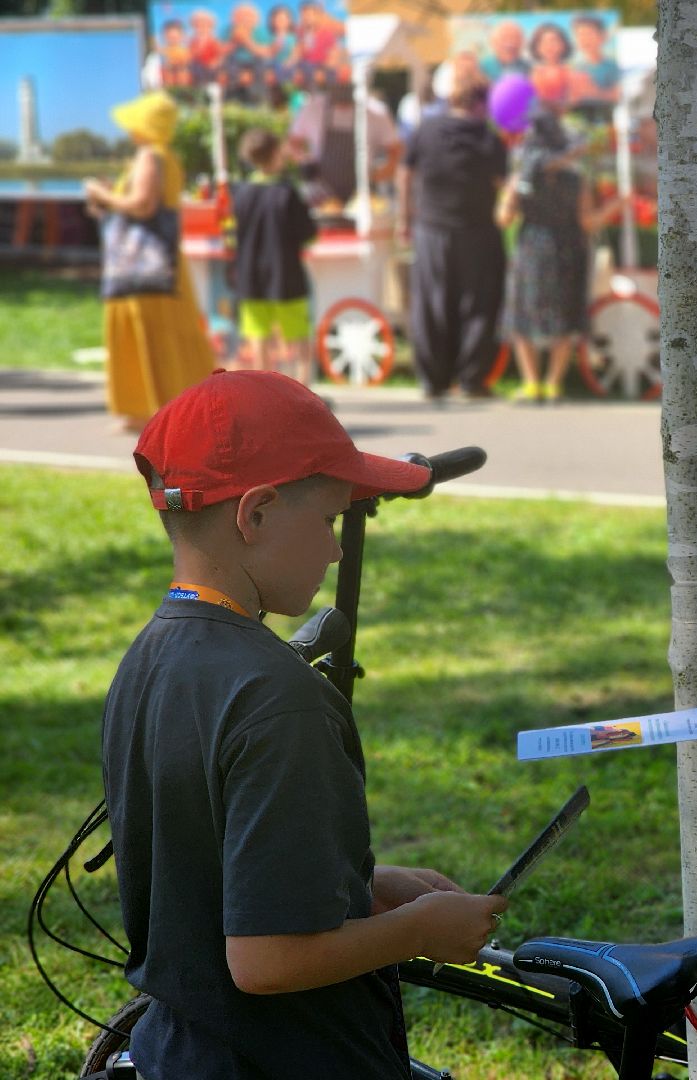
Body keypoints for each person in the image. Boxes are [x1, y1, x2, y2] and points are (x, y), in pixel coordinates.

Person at [102, 369, 508, 1078]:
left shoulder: (151, 655)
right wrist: (416, 931)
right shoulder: (280, 701)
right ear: (254, 515)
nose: (337, 549)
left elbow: (208, 871)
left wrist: (361, 884)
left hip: (182, 1051)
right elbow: (266, 960)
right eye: (326, 520)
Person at [84, 92, 214, 434]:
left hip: (142, 265)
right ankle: (187, 406)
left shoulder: (149, 156)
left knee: (147, 329)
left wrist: (103, 196)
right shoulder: (167, 157)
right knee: (169, 330)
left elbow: (142, 205)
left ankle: (149, 410)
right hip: (162, 262)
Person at [397, 61, 509, 401]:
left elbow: (405, 175)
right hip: (478, 230)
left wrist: (406, 217)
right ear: (480, 103)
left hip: (431, 228)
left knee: (431, 304)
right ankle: (472, 379)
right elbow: (501, 184)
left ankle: (433, 380)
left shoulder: (425, 130)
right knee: (478, 306)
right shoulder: (489, 139)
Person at [498, 105, 620, 402]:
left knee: (522, 316)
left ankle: (530, 383)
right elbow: (588, 222)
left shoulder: (521, 177)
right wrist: (615, 208)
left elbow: (504, 218)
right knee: (564, 316)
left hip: (530, 246)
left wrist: (509, 195)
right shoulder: (576, 181)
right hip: (566, 248)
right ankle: (553, 382)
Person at [232, 127, 317, 383]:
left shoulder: (241, 193)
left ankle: (262, 390)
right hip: (285, 274)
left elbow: (232, 233)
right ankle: (304, 390)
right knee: (299, 336)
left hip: (250, 275)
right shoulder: (287, 193)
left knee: (259, 337)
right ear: (276, 154)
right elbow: (308, 234)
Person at [288, 82, 402, 206]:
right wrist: (306, 163)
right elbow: (293, 143)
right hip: (321, 195)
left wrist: (377, 175)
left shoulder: (375, 112)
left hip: (362, 196)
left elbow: (396, 152)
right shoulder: (312, 108)